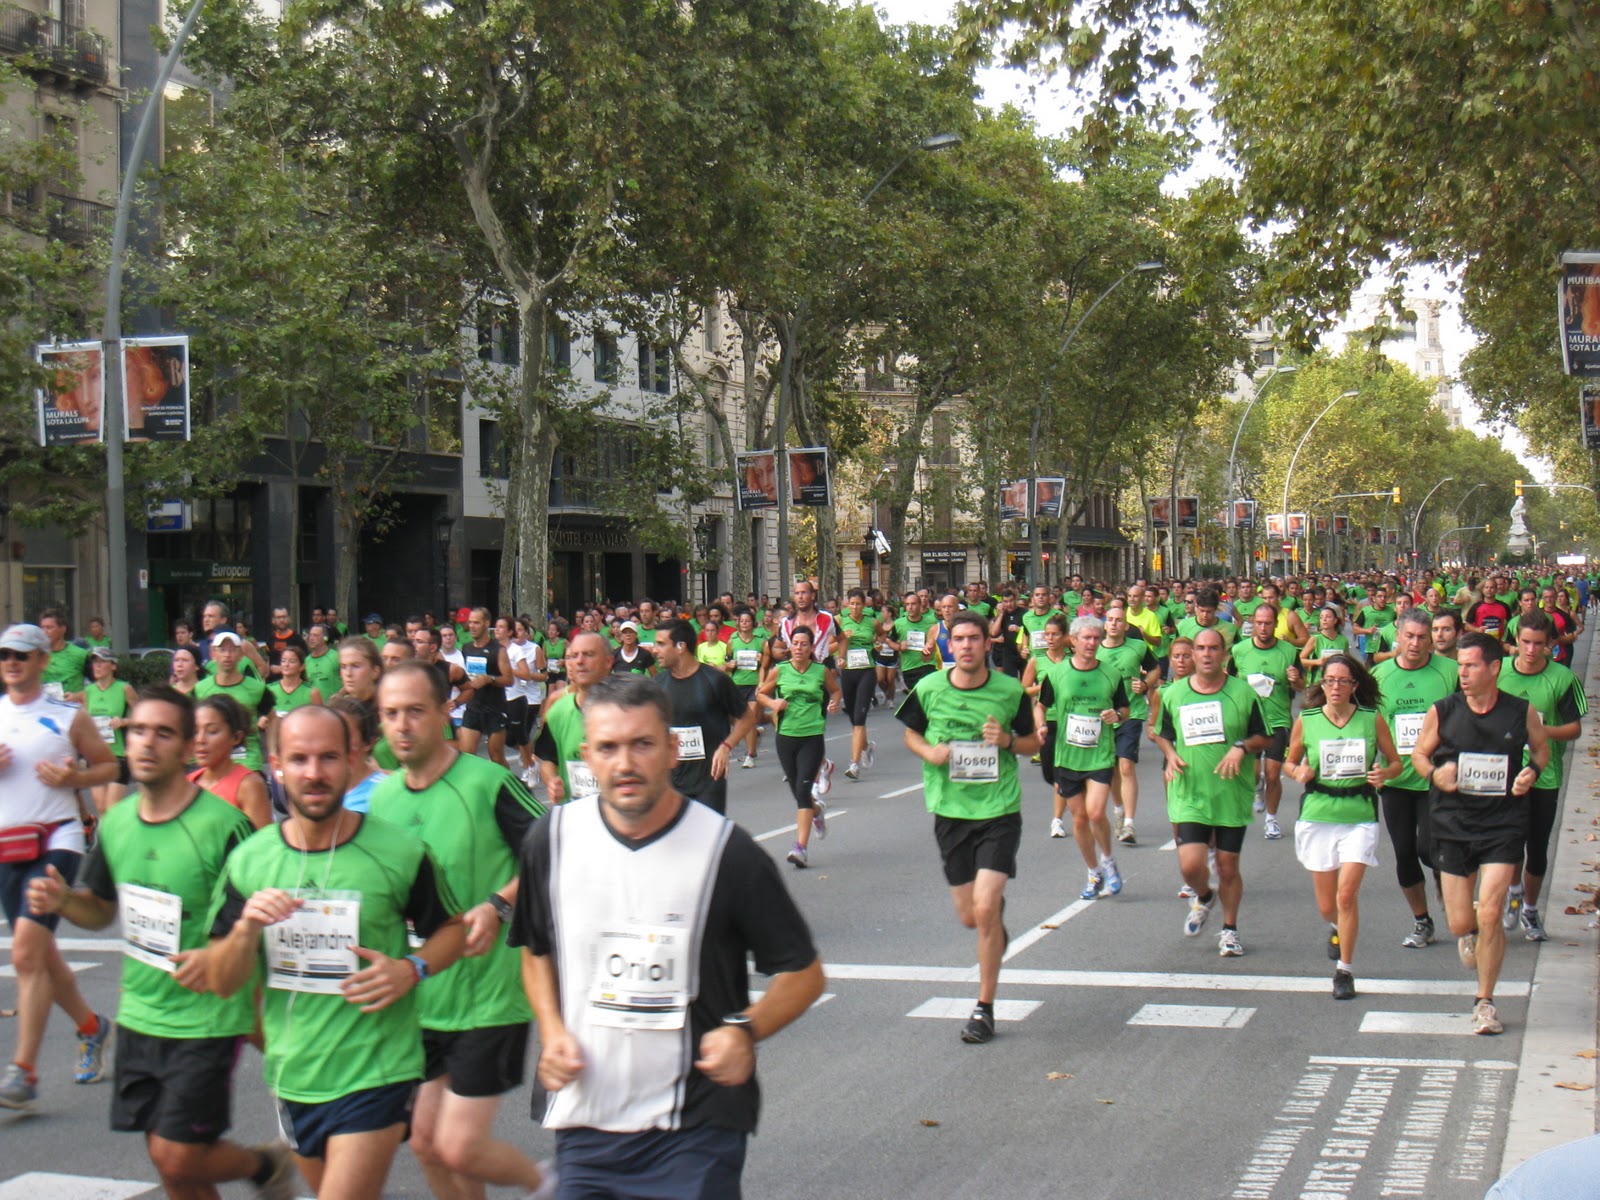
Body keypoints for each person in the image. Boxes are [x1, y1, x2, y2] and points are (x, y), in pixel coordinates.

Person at [509, 674, 823, 1195]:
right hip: (585, 1120)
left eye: (643, 744)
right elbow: (536, 950)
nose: (625, 764)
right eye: (608, 748)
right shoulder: (552, 840)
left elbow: (804, 974)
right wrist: (553, 1031)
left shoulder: (727, 851)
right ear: (586, 756)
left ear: (673, 750)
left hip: (695, 1125)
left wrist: (745, 1031)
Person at [25, 685, 296, 1198]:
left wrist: (217, 956)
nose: (147, 743)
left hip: (208, 1015)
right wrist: (64, 901)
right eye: (138, 731)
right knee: (171, 1165)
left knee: (179, 1152)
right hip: (141, 1012)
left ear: (187, 745)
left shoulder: (224, 827)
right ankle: (264, 1167)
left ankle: (264, 1164)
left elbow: (253, 923)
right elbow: (100, 908)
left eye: (164, 733)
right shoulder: (119, 823)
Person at [207, 705, 468, 1200]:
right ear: (276, 766)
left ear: (352, 761)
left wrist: (411, 969)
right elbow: (221, 983)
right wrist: (246, 930)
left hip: (378, 1068)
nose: (314, 773)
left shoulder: (400, 851)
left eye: (328, 757)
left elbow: (453, 932)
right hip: (293, 1074)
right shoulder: (249, 860)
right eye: (299, 759)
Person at [370, 663, 553, 1200]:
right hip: (423, 991)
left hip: (488, 992)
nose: (402, 725)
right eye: (390, 714)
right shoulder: (382, 798)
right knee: (427, 1142)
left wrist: (498, 905)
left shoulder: (486, 783)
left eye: (415, 711)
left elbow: (551, 853)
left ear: (444, 712)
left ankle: (555, 1186)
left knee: (458, 1144)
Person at [898, 612, 1039, 1043]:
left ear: (986, 643)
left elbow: (1033, 742)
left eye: (974, 638)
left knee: (984, 906)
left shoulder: (1010, 691)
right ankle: (992, 922)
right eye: (958, 639)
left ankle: (984, 1009)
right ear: (949, 644)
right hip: (951, 811)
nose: (965, 646)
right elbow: (910, 734)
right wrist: (929, 752)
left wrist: (1008, 742)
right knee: (970, 917)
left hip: (999, 810)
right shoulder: (929, 688)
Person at [0, 623, 119, 1109]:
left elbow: (110, 766)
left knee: (26, 953)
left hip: (57, 839)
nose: (12, 663)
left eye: (22, 655)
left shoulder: (67, 716)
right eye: (5, 655)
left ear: (43, 661)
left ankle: (23, 1073)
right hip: (7, 846)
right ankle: (92, 1027)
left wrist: (75, 778)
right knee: (41, 954)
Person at [1409, 631, 1549, 1035]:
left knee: (1490, 912)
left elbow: (1541, 750)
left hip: (1503, 822)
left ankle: (1485, 1002)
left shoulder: (1520, 711)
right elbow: (1419, 755)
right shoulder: (1444, 710)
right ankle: (1467, 932)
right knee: (1459, 922)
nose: (1463, 673)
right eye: (1460, 666)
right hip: (1452, 823)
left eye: (1471, 666)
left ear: (1494, 668)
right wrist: (1436, 773)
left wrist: (1531, 772)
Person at [1284, 655, 1403, 999]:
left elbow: (1395, 762)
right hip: (1319, 814)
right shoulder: (1307, 720)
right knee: (1328, 906)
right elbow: (1289, 763)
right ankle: (1336, 926)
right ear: (1321, 684)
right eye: (1329, 680)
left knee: (1347, 895)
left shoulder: (1370, 718)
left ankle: (1344, 971)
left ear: (1355, 686)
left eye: (1343, 681)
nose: (1335, 687)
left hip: (1359, 815)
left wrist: (1384, 774)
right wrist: (1298, 771)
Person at [1152, 626, 1270, 956]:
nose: (1206, 654)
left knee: (1228, 867)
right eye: (1201, 648)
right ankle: (1204, 895)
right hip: (1189, 791)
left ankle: (1229, 930)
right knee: (1190, 866)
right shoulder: (1174, 694)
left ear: (1224, 654)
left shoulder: (1243, 693)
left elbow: (1266, 736)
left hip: (1230, 792)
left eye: (1213, 648)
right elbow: (1161, 733)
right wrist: (1170, 754)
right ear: (1192, 654)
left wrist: (1241, 747)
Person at [1494, 611, 1586, 942]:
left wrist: (1538, 731)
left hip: (1544, 774)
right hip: (1503, 773)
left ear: (1550, 645)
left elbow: (1574, 729)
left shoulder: (1563, 678)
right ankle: (1514, 893)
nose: (1531, 650)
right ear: (1516, 641)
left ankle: (1531, 910)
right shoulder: (1498, 671)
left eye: (1538, 644)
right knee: (1509, 843)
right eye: (1525, 642)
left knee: (1537, 846)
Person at [1372, 609, 1460, 950]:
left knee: (1429, 847)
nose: (1415, 643)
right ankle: (1422, 921)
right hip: (1395, 779)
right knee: (1405, 853)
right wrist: (1371, 766)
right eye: (1409, 636)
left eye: (1423, 637)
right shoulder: (1380, 675)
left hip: (1436, 777)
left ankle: (1443, 875)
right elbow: (1369, 725)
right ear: (1398, 635)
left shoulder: (1449, 671)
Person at [1037, 615, 1129, 900]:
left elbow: (1125, 709)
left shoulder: (1111, 674)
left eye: (1096, 638)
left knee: (1096, 813)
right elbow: (1041, 706)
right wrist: (1041, 725)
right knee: (1079, 820)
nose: (1092, 643)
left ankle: (1108, 860)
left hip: (1100, 753)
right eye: (1086, 638)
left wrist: (1116, 715)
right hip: (1068, 756)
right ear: (1073, 641)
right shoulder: (1057, 674)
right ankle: (1093, 872)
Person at [650, 619, 758, 817]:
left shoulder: (714, 680)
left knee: (707, 834)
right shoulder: (657, 684)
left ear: (681, 646)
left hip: (709, 779)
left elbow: (747, 718)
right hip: (671, 781)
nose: (655, 650)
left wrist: (726, 747)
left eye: (661, 644)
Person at [756, 627, 841, 868]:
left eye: (804, 644)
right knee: (797, 791)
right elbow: (760, 694)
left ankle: (800, 848)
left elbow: (835, 690)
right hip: (785, 736)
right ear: (790, 646)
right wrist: (773, 702)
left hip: (812, 736)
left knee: (803, 791)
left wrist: (834, 703)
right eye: (795, 643)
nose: (799, 648)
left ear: (811, 647)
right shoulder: (780, 670)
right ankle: (816, 811)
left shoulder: (820, 671)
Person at [1230, 601, 1303, 840]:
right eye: (1259, 623)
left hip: (1277, 720)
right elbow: (1227, 681)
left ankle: (1271, 820)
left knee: (1273, 774)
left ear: (1275, 624)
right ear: (1253, 623)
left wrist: (1295, 679)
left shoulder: (1288, 652)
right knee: (1253, 774)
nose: (1263, 628)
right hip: (1248, 722)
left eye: (1268, 623)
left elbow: (1302, 686)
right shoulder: (1239, 650)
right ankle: (1257, 787)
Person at [1097, 604, 1160, 846]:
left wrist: (1145, 684)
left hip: (1131, 713)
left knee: (1126, 766)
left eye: (1119, 620)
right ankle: (1119, 810)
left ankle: (1130, 823)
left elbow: (1155, 669)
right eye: (1110, 619)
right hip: (1104, 716)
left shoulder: (1138, 647)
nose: (1114, 623)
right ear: (1105, 624)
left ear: (1126, 626)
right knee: (1112, 768)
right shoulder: (1095, 650)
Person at [534, 631, 612, 805]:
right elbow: (547, 758)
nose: (579, 661)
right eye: (574, 656)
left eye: (589, 654)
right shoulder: (558, 711)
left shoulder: (627, 711)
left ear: (608, 662)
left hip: (617, 814)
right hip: (574, 811)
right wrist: (552, 781)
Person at [190, 695, 274, 829]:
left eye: (212, 731)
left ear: (236, 737)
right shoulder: (188, 782)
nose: (200, 740)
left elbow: (262, 839)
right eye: (195, 731)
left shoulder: (249, 786)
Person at [72, 645, 138, 813]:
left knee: (112, 808)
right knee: (101, 807)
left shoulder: (124, 688)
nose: (98, 666)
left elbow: (144, 717)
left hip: (118, 754)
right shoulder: (88, 691)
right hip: (96, 755)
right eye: (95, 662)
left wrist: (124, 721)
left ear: (113, 666)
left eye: (102, 662)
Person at [196, 631, 273, 771]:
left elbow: (274, 720)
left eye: (232, 650)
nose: (227, 655)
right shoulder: (200, 689)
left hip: (248, 762)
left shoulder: (257, 688)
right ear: (213, 654)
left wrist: (274, 753)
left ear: (241, 655)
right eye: (222, 650)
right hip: (214, 763)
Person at [457, 607, 513, 767]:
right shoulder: (466, 648)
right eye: (470, 622)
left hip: (494, 709)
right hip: (473, 707)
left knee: (496, 757)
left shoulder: (498, 650)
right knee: (466, 755)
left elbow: (509, 680)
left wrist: (490, 679)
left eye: (476, 622)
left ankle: (508, 782)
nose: (472, 626)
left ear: (487, 623)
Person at [832, 588, 878, 779]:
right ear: (847, 604)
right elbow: (830, 646)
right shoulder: (839, 621)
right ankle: (865, 747)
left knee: (860, 717)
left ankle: (854, 765)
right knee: (853, 717)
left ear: (864, 605)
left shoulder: (872, 621)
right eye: (852, 604)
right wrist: (843, 644)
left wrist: (878, 643)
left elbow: (882, 635)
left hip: (867, 671)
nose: (855, 607)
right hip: (848, 672)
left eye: (858, 604)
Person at [725, 608, 770, 769]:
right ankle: (753, 743)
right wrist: (730, 665)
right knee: (739, 720)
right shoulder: (732, 641)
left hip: (754, 684)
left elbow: (766, 665)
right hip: (737, 684)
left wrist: (761, 663)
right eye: (742, 621)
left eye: (747, 621)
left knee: (749, 718)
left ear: (753, 623)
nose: (744, 624)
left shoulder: (761, 641)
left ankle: (750, 755)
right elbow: (727, 662)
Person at [891, 590, 940, 693]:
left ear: (920, 605)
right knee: (915, 696)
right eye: (907, 604)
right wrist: (899, 647)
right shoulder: (899, 624)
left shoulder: (931, 621)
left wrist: (930, 643)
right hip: (909, 667)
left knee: (927, 693)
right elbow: (890, 641)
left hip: (928, 664)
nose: (910, 607)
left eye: (913, 604)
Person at [38, 608, 89, 700]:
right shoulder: (36, 655)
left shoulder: (80, 654)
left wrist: (78, 696)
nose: (44, 632)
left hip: (70, 706)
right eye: (42, 628)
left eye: (49, 627)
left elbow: (101, 685)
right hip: (44, 706)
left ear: (63, 629)